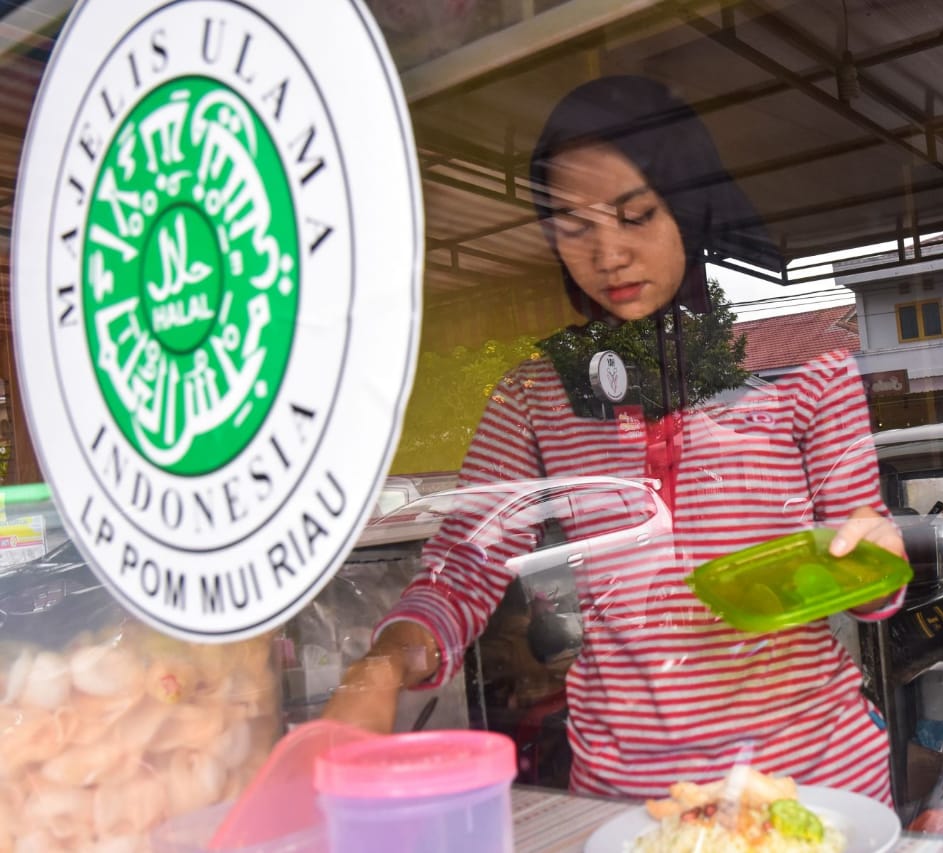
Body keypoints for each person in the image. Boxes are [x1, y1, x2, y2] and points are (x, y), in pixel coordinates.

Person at [324, 75, 907, 804]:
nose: (608, 255)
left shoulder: (804, 367)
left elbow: (864, 564)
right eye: (574, 227)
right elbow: (465, 566)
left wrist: (876, 562)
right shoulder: (536, 394)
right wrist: (378, 666)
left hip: (813, 780)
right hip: (631, 801)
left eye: (635, 216)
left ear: (690, 213)